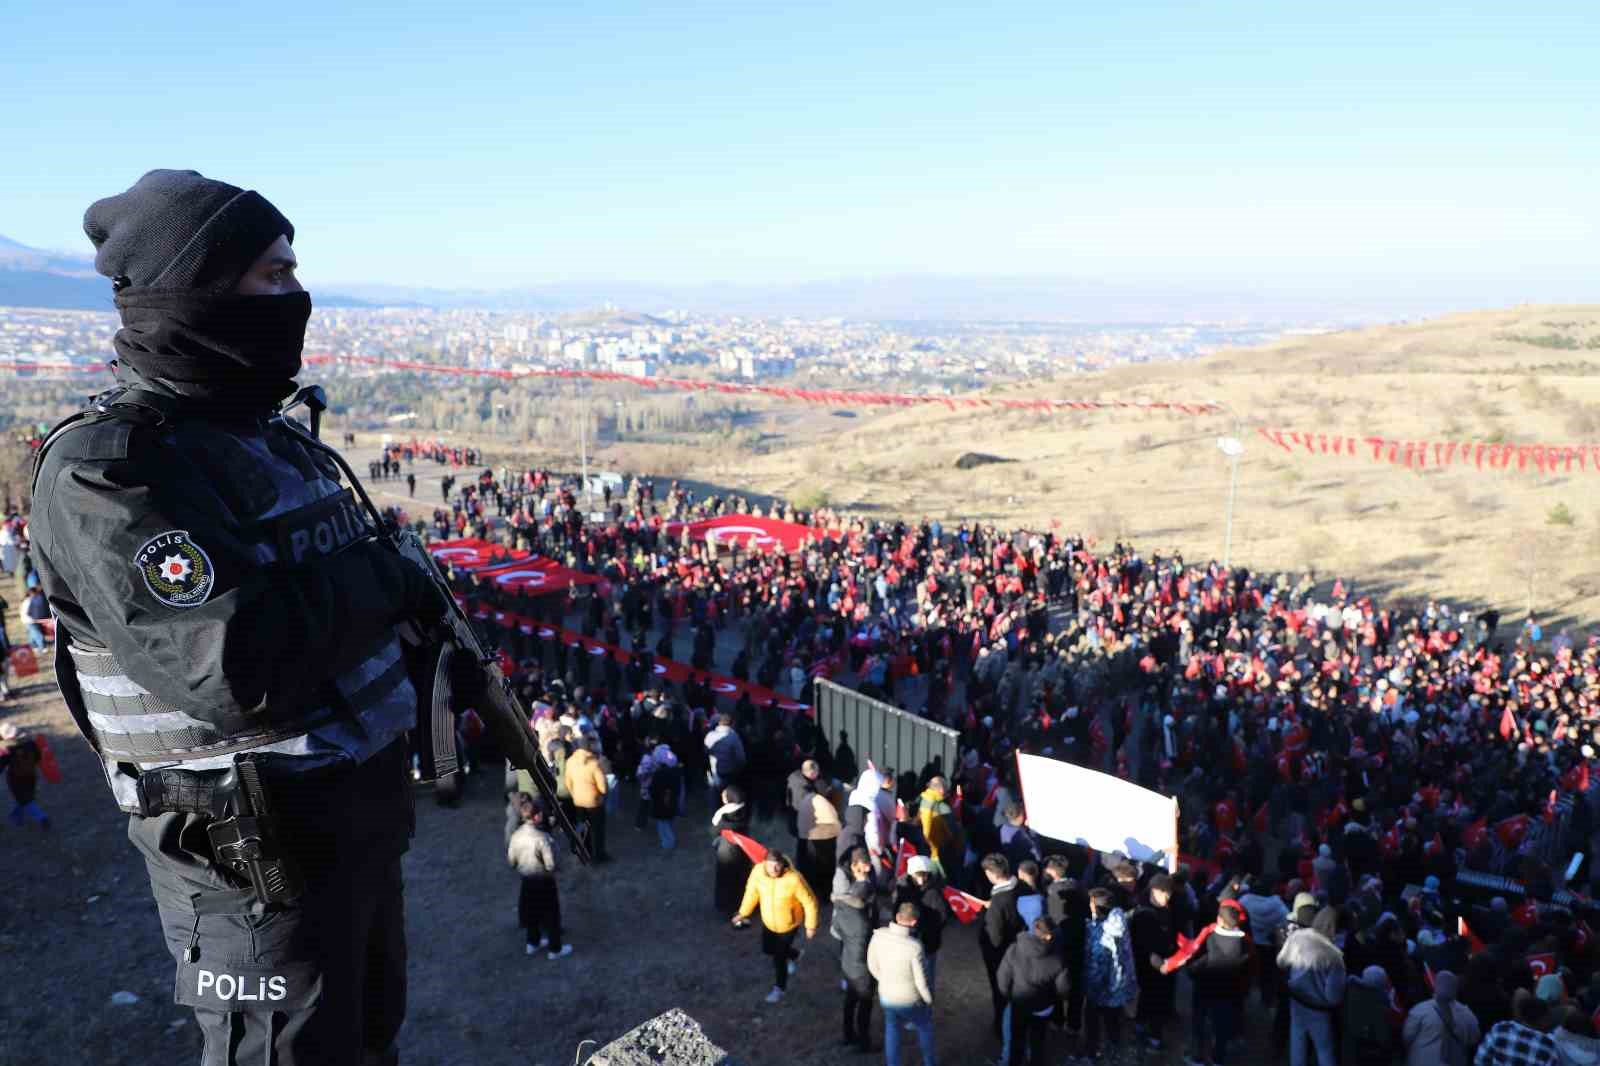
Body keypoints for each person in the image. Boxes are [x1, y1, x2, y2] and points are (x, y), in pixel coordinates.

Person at [29, 169, 444, 1066]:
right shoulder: (112, 473)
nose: (296, 294)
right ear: (192, 288)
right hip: (249, 862)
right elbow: (233, 665)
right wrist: (387, 577)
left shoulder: (272, 437)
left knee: (370, 1040)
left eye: (295, 270)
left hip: (356, 825)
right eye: (271, 274)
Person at [733, 851, 819, 1005]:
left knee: (779, 959)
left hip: (788, 925)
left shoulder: (794, 879)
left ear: (783, 864)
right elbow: (751, 893)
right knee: (767, 949)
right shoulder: (758, 873)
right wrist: (743, 913)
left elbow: (809, 902)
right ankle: (795, 954)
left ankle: (780, 987)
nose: (774, 869)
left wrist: (810, 925)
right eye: (771, 865)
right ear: (764, 863)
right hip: (769, 922)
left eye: (777, 865)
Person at [1182, 898, 1253, 1066]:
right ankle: (1218, 1058)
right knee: (1222, 1025)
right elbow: (1249, 969)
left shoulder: (1209, 937)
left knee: (1199, 1022)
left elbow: (1196, 964)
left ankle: (1197, 1056)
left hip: (1204, 989)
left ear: (1219, 920)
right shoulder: (1245, 943)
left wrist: (1191, 970)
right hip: (1229, 992)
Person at [868, 901, 937, 1066]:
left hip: (886, 995)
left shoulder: (878, 935)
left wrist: (885, 980)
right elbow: (921, 982)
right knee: (924, 1027)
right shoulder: (915, 947)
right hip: (910, 999)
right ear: (914, 922)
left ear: (897, 916)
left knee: (892, 1029)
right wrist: (929, 1000)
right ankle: (930, 1062)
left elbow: (872, 965)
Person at [996, 916, 1072, 1066]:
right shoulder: (1058, 959)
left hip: (1019, 1005)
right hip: (1042, 1008)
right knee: (1038, 1041)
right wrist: (1053, 1000)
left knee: (1016, 1041)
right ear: (1049, 935)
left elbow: (1002, 978)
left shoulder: (1014, 949)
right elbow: (1063, 989)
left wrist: (1010, 996)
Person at [1278, 904, 1346, 1066]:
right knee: (1324, 1051)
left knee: (1297, 1042)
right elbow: (1333, 997)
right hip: (1318, 1010)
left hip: (1296, 1001)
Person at [507, 793, 571, 959]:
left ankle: (532, 943)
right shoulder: (542, 838)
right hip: (543, 881)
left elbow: (511, 861)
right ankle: (555, 949)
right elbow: (550, 865)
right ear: (535, 817)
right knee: (551, 914)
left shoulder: (516, 836)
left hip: (526, 879)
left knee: (531, 911)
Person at [1082, 885, 1137, 1061]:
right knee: (1113, 1019)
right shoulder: (1119, 919)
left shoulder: (1102, 934)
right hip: (1118, 985)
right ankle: (1114, 1046)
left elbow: (1098, 966)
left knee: (1092, 1020)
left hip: (1101, 987)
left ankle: (1092, 1052)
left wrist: (1089, 988)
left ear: (1096, 907)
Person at [979, 853, 1026, 1057]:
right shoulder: (1020, 887)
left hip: (1002, 957)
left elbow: (995, 939)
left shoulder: (998, 902)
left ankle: (1002, 1029)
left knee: (1002, 995)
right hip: (1019, 950)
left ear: (991, 874)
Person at [1130, 873, 1179, 1054]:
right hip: (1151, 965)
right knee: (1155, 999)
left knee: (1148, 997)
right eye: (1164, 894)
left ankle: (1141, 1025)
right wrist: (1159, 962)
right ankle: (1154, 1037)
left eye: (1169, 894)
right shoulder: (1144, 914)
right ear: (1154, 891)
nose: (1167, 898)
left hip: (1162, 962)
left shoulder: (1164, 908)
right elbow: (1143, 945)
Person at [833, 876, 878, 1053]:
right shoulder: (863, 924)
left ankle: (848, 1035)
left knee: (850, 1002)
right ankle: (864, 1042)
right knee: (864, 1005)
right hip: (862, 970)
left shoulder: (842, 910)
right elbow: (864, 951)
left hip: (847, 964)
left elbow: (837, 930)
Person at [1402, 970, 1480, 1066]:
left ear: (1435, 986)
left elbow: (1406, 1037)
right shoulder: (1467, 1014)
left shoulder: (1419, 1010)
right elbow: (1474, 1040)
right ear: (1456, 989)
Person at [896, 855, 952, 988]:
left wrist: (927, 927)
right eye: (917, 876)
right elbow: (896, 911)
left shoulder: (934, 892)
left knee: (927, 976)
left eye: (924, 876)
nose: (921, 881)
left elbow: (942, 916)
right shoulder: (903, 889)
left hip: (928, 942)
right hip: (907, 939)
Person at [1475, 989, 1559, 1065]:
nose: (1550, 1021)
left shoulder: (1500, 1029)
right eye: (1548, 1017)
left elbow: (1480, 1060)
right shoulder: (1548, 1048)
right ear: (1542, 1019)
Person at [563, 735, 609, 862]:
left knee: (583, 828)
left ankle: (585, 852)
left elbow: (568, 782)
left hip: (578, 802)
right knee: (597, 830)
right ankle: (598, 856)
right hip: (594, 803)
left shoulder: (570, 761)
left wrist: (575, 795)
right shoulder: (594, 763)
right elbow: (603, 788)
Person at [711, 784, 755, 913]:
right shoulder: (744, 810)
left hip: (728, 850)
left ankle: (728, 907)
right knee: (742, 877)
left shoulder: (723, 815)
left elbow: (715, 828)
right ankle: (745, 905)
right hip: (743, 848)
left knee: (727, 879)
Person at [1, 721, 50, 829]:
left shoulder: (8, 751)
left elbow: (1, 765)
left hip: (15, 779)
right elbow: (38, 757)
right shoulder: (31, 744)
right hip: (31, 775)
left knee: (26, 800)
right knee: (25, 798)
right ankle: (16, 817)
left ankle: (42, 818)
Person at [918, 775, 964, 878]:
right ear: (941, 789)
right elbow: (951, 832)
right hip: (942, 852)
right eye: (946, 787)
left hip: (928, 849)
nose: (948, 790)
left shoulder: (925, 801)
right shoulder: (942, 807)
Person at [649, 742, 682, 850]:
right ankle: (670, 841)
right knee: (669, 823)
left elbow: (653, 790)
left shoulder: (658, 774)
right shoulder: (675, 772)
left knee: (663, 825)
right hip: (672, 802)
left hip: (660, 804)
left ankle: (668, 844)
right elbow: (678, 789)